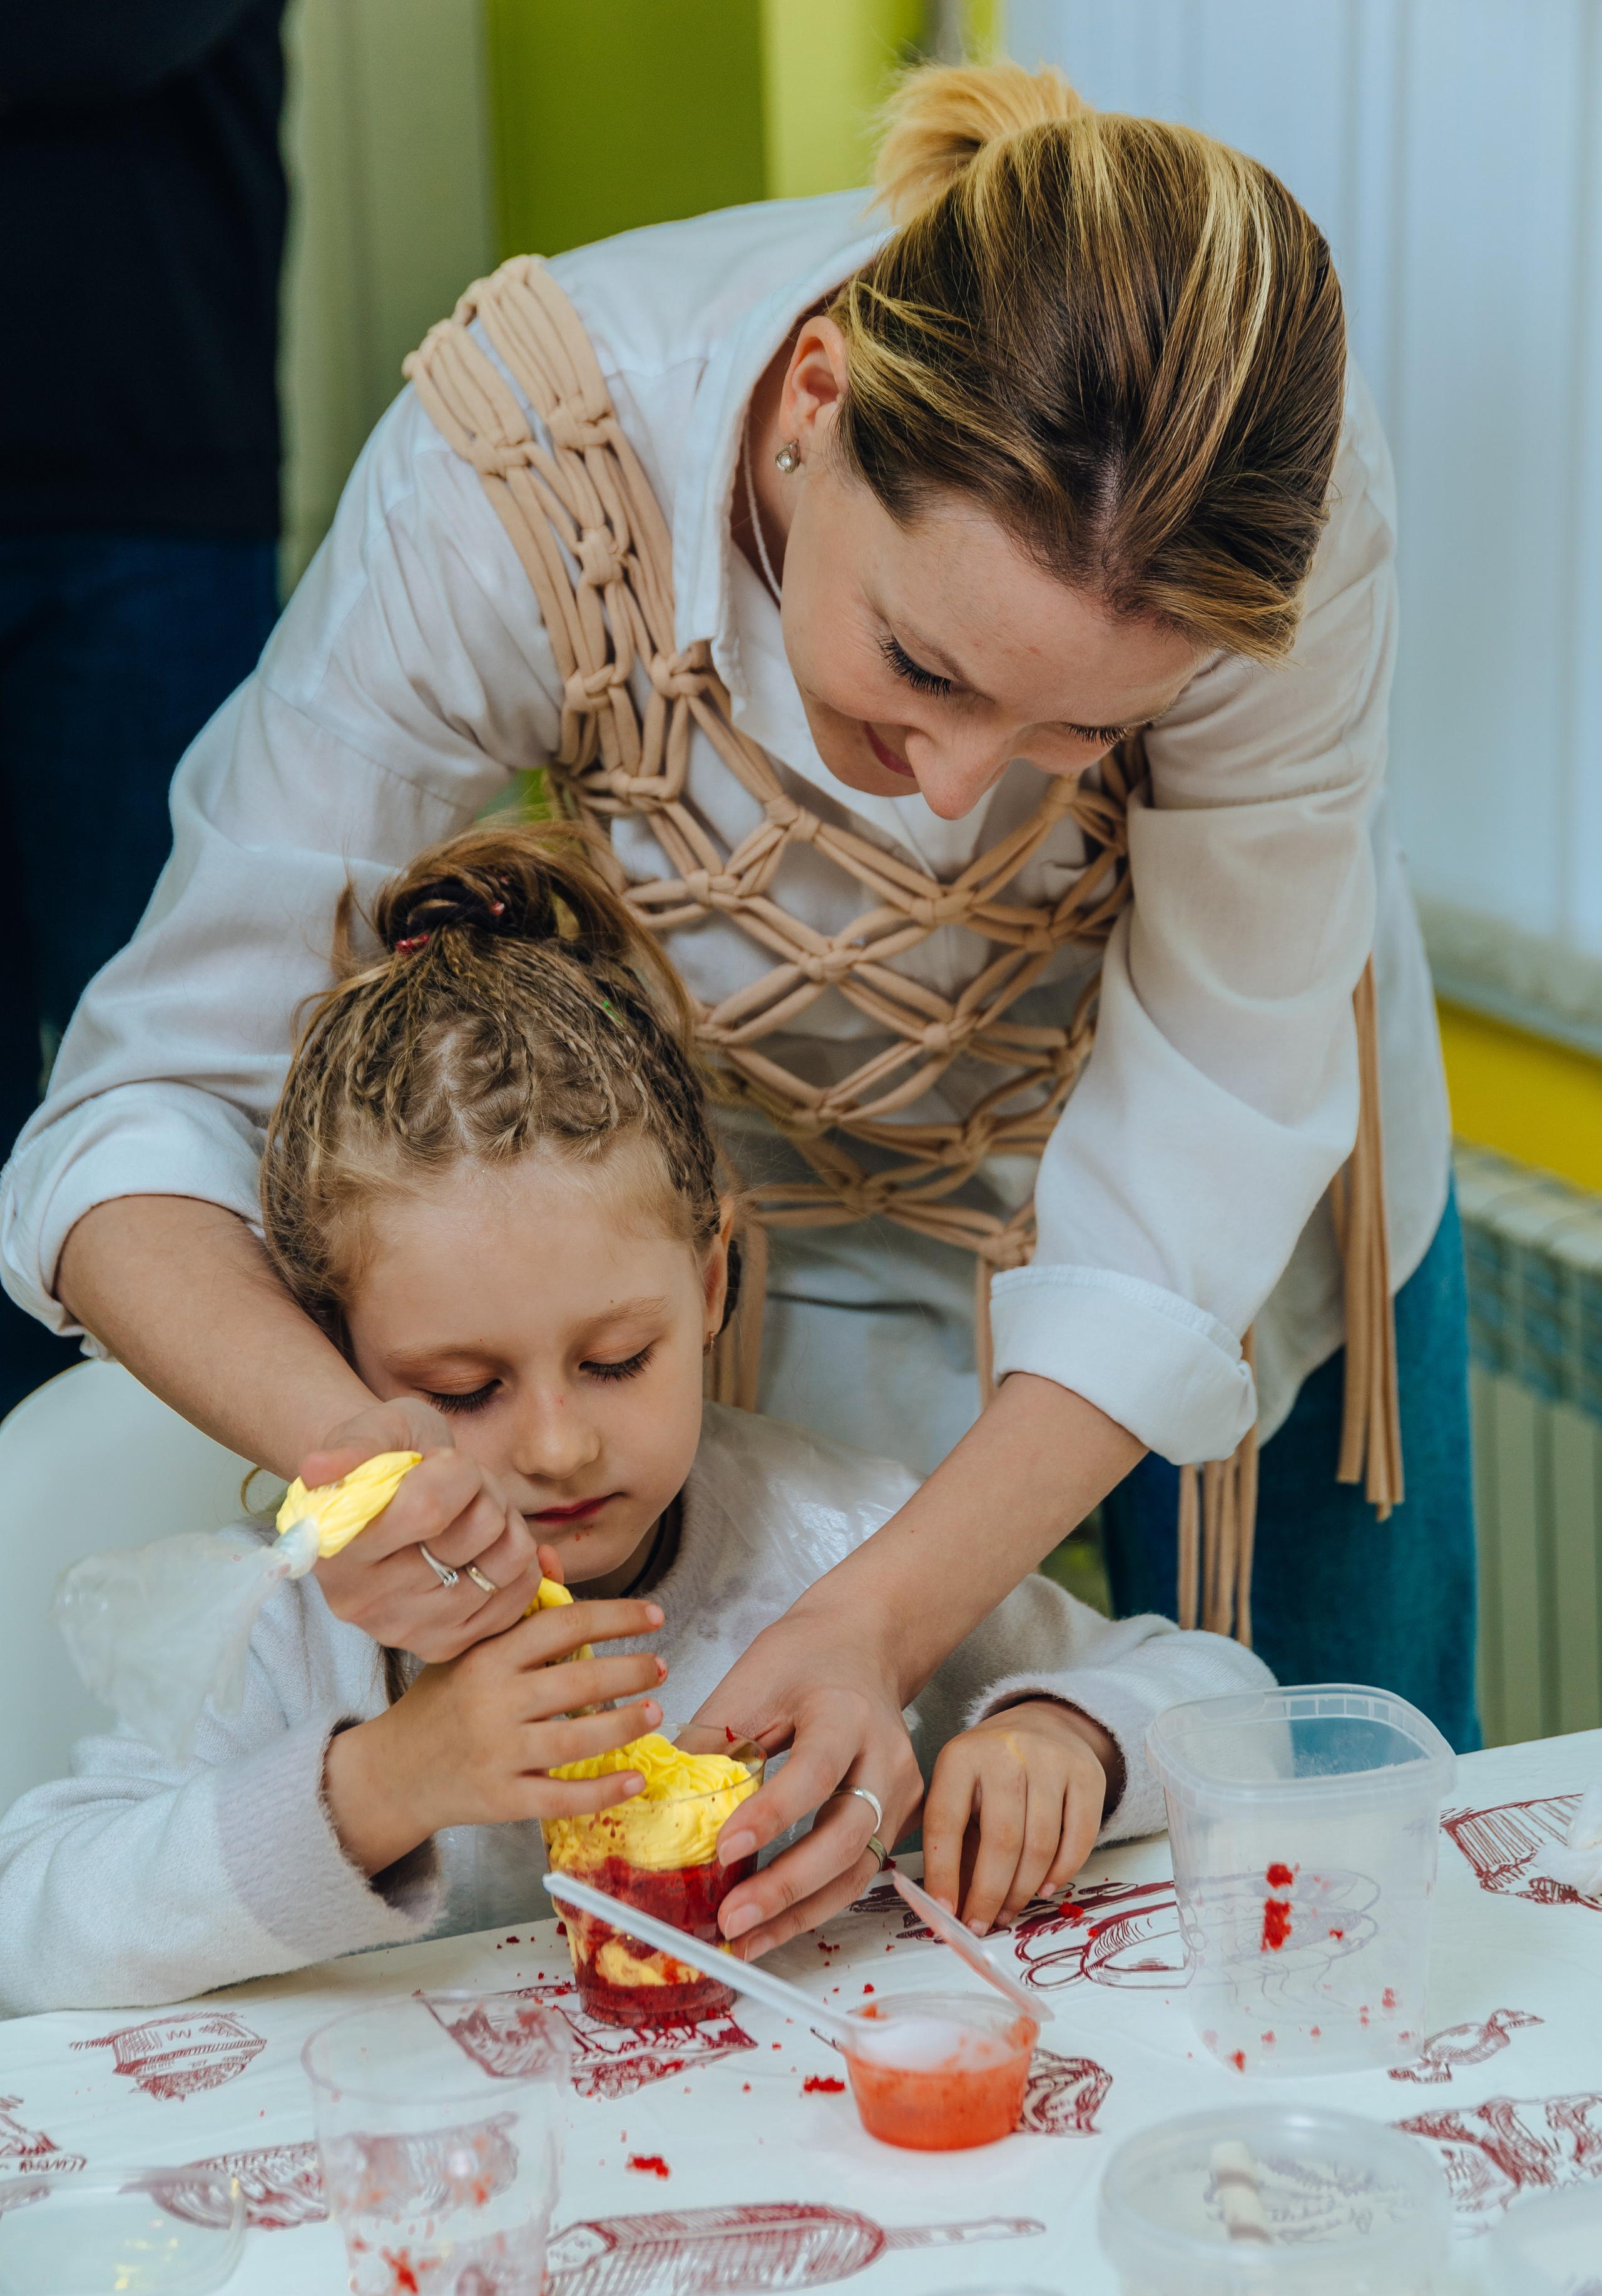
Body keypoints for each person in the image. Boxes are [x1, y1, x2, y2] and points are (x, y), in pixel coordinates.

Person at [0, 61, 1470, 1964]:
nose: (961, 791)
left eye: (1083, 732)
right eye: (919, 664)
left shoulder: (1269, 514)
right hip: (765, 1200)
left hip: (1236, 1217)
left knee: (1334, 1891)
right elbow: (148, 1101)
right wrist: (370, 1457)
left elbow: (1192, 1171)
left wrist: (897, 1626)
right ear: (814, 404)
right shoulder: (516, 472)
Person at [0, 827, 1272, 2014]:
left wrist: (1066, 1737)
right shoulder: (291, 1634)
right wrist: (385, 1782)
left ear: (708, 1284)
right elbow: (35, 1924)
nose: (558, 1445)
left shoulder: (830, 1537)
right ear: (331, 1351)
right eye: (463, 1390)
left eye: (615, 1360)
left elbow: (1230, 1703)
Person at [0, 1, 286, 1415]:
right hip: (144, 484)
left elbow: (119, 29)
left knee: (198, 1076)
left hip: (151, 477)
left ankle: (228, 1467)